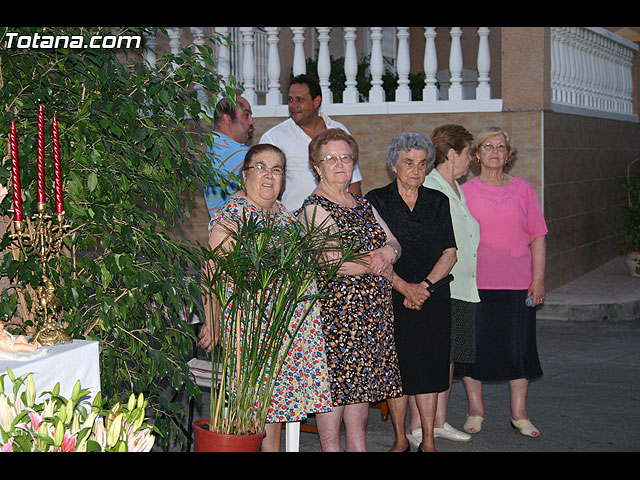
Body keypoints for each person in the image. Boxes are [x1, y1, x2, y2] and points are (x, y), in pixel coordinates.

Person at [198, 143, 333, 451]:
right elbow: (211, 270)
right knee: (258, 405)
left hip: (287, 331)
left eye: (276, 169)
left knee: (275, 405)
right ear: (245, 175)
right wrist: (212, 319)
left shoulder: (283, 216)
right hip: (254, 331)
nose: (269, 176)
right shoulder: (234, 216)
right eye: (261, 167)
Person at [300, 128, 403, 452]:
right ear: (317, 166)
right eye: (330, 158)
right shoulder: (315, 207)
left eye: (345, 157)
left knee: (360, 394)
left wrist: (388, 253)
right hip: (338, 319)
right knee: (334, 394)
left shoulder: (363, 203)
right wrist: (378, 260)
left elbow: (394, 241)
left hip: (371, 318)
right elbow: (332, 261)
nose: (339, 163)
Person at [366, 132, 457, 452]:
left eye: (422, 163)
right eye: (408, 162)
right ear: (394, 165)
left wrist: (424, 288)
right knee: (397, 369)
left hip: (432, 297)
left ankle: (428, 439)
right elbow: (373, 255)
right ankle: (400, 439)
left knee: (430, 368)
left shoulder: (438, 201)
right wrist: (405, 287)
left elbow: (450, 253)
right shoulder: (376, 200)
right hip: (392, 295)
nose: (416, 170)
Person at [457, 126, 547, 438]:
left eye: (500, 147)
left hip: (517, 284)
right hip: (474, 285)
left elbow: (538, 237)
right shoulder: (464, 192)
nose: (494, 152)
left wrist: (538, 280)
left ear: (508, 155)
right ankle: (475, 410)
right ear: (476, 155)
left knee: (518, 350)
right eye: (488, 146)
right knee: (472, 351)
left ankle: (519, 414)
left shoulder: (524, 189)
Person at [417, 124, 480, 445]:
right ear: (452, 153)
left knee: (450, 356)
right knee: (435, 357)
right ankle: (420, 426)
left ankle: (439, 421)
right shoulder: (431, 187)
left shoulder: (455, 187)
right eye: (468, 152)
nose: (471, 160)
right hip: (443, 286)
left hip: (463, 287)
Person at [260, 74, 362, 212]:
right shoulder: (273, 138)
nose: (293, 105)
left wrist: (355, 215)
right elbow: (263, 186)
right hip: (295, 220)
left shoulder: (339, 131)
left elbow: (354, 182)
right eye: (290, 100)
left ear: (316, 101)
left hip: (340, 217)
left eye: (300, 100)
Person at [203, 92, 255, 218]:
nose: (252, 121)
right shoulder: (230, 152)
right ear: (227, 119)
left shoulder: (215, 147)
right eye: (246, 115)